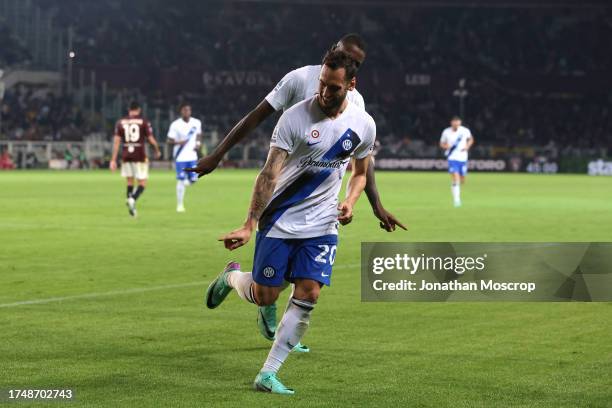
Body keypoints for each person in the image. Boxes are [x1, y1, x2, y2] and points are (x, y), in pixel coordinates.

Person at [187, 34, 406, 347]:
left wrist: (373, 205)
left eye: (357, 63)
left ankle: (287, 331)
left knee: (307, 283)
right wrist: (218, 154)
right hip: (282, 193)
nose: (349, 64)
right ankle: (249, 288)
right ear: (334, 51)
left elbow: (360, 158)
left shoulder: (356, 103)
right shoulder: (299, 79)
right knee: (267, 291)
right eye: (347, 56)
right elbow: (256, 116)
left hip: (320, 207)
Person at [205, 50, 376, 394]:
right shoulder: (295, 118)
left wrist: (350, 201)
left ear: (351, 86)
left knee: (309, 292)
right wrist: (249, 223)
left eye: (334, 88)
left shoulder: (363, 125)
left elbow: (360, 172)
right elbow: (269, 173)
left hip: (324, 224)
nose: (325, 93)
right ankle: (232, 276)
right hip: (281, 218)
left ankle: (268, 373)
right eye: (323, 85)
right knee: (265, 295)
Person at [110, 101, 161, 217]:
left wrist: (113, 159)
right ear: (139, 110)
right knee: (142, 182)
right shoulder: (143, 122)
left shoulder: (120, 122)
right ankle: (132, 199)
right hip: (139, 155)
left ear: (129, 109)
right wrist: (157, 150)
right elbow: (151, 139)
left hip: (126, 154)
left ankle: (131, 211)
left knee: (129, 182)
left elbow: (117, 142)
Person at [167, 102, 202, 212]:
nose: (187, 112)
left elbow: (199, 135)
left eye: (188, 110)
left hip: (192, 156)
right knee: (180, 180)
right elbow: (169, 141)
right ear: (181, 111)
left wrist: (198, 144)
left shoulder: (196, 122)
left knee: (194, 179)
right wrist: (178, 142)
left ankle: (187, 181)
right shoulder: (175, 125)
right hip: (180, 157)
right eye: (184, 110)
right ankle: (180, 205)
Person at [439, 116, 474, 207]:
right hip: (452, 158)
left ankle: (456, 186)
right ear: (451, 122)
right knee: (455, 177)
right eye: (454, 121)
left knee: (462, 180)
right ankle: (457, 200)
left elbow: (470, 139)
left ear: (460, 122)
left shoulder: (465, 131)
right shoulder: (446, 131)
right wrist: (446, 146)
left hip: (462, 158)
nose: (456, 123)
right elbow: (442, 143)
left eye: (457, 121)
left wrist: (467, 146)